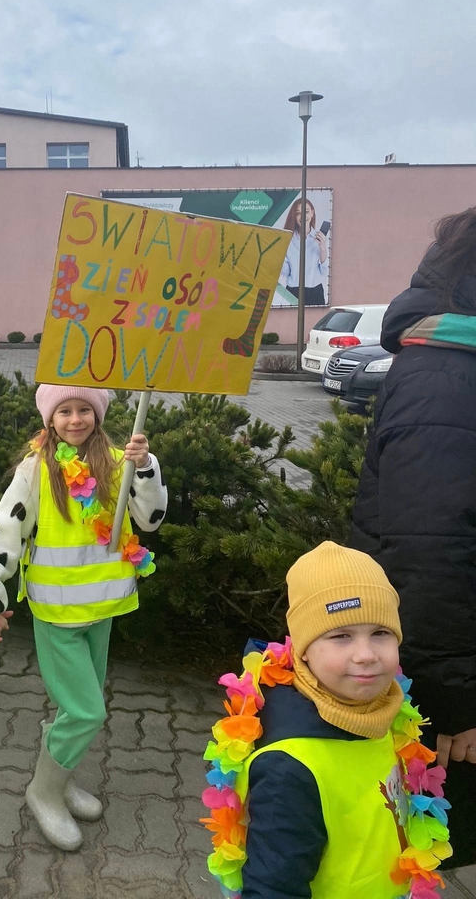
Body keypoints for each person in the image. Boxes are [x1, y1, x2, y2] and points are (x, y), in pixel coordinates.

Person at [0, 384, 168, 851]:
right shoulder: (36, 468)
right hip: (57, 611)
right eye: (64, 410)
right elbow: (5, 530)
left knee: (75, 708)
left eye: (85, 409)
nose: (75, 419)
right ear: (49, 418)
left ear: (98, 415)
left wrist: (145, 466)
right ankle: (42, 792)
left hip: (105, 605)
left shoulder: (119, 460)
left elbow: (150, 519)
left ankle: (60, 782)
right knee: (87, 712)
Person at [202, 541, 451, 898]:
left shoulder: (386, 708)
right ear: (303, 650)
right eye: (341, 636)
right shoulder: (290, 767)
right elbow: (274, 888)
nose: (365, 655)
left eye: (380, 633)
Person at [351, 205, 476, 869]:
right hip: (456, 695)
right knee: (418, 851)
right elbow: (430, 552)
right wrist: (455, 700)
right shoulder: (446, 378)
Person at [279, 198, 328, 305]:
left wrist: (322, 247)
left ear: (312, 213)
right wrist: (277, 254)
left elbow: (324, 271)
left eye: (306, 212)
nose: (303, 216)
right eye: (298, 213)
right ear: (294, 216)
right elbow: (286, 271)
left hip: (315, 291)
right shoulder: (288, 239)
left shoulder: (320, 238)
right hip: (293, 291)